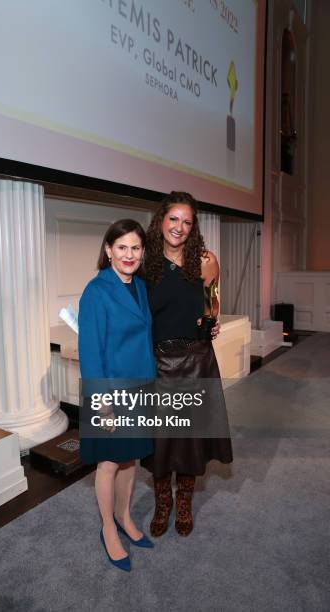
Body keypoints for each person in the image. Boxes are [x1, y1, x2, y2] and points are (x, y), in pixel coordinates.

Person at [142, 191, 233, 537]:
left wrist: (212, 319)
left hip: (196, 362)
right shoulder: (146, 262)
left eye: (187, 222)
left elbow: (213, 305)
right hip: (159, 364)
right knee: (162, 441)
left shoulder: (206, 261)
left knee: (191, 439)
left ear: (193, 228)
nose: (179, 227)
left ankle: (184, 505)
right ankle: (162, 502)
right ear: (161, 220)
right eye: (173, 219)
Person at [78, 219, 155, 572]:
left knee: (130, 460)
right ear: (108, 249)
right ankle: (107, 527)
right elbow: (91, 351)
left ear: (142, 252)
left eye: (135, 248)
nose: (129, 254)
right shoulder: (96, 290)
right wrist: (103, 404)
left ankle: (124, 516)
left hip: (141, 390)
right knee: (108, 463)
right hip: (110, 392)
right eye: (121, 247)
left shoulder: (140, 286)